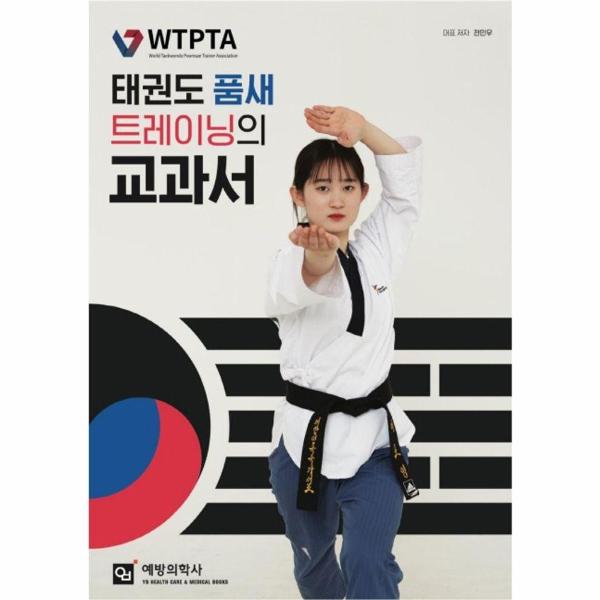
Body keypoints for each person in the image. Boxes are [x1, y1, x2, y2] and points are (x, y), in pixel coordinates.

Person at [265, 104, 423, 599]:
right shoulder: (288, 259)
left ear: (362, 194)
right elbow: (309, 276)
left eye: (348, 187)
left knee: (366, 558)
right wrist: (317, 255)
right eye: (321, 187)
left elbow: (404, 193)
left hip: (374, 439)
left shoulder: (375, 248)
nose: (336, 199)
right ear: (298, 195)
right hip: (303, 443)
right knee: (313, 563)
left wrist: (364, 129)